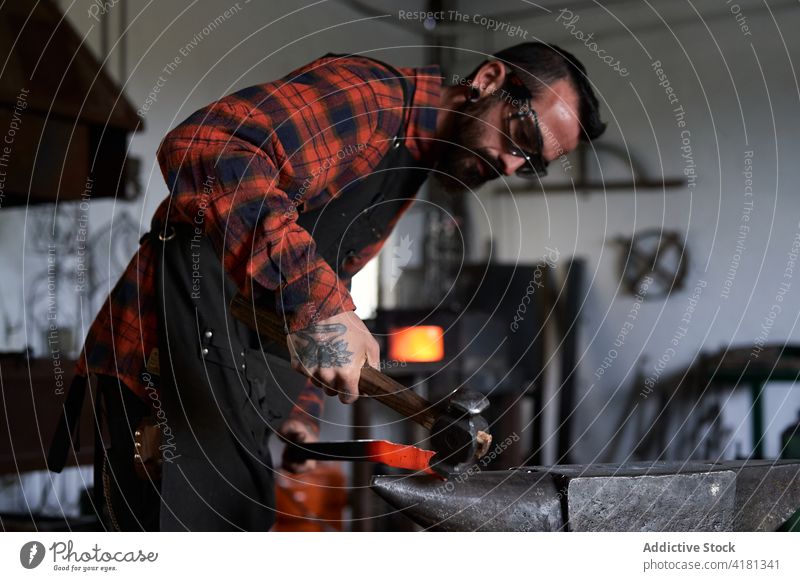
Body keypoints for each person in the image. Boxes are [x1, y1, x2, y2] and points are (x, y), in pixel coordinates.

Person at [48, 43, 605, 531]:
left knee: (243, 515)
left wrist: (302, 406)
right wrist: (322, 305)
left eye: (531, 164)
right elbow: (208, 146)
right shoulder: (371, 96)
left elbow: (320, 280)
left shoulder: (408, 166)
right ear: (487, 82)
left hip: (237, 361)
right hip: (162, 348)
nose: (511, 164)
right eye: (522, 135)